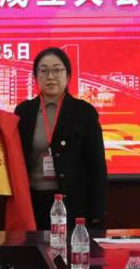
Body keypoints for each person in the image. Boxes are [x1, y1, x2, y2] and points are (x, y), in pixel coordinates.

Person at [14, 47, 108, 230]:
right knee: (34, 248)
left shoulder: (84, 112)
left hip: (72, 203)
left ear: (68, 75)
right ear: (35, 77)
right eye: (44, 71)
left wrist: (97, 213)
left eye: (57, 70)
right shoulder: (24, 112)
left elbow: (97, 166)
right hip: (32, 203)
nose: (51, 76)